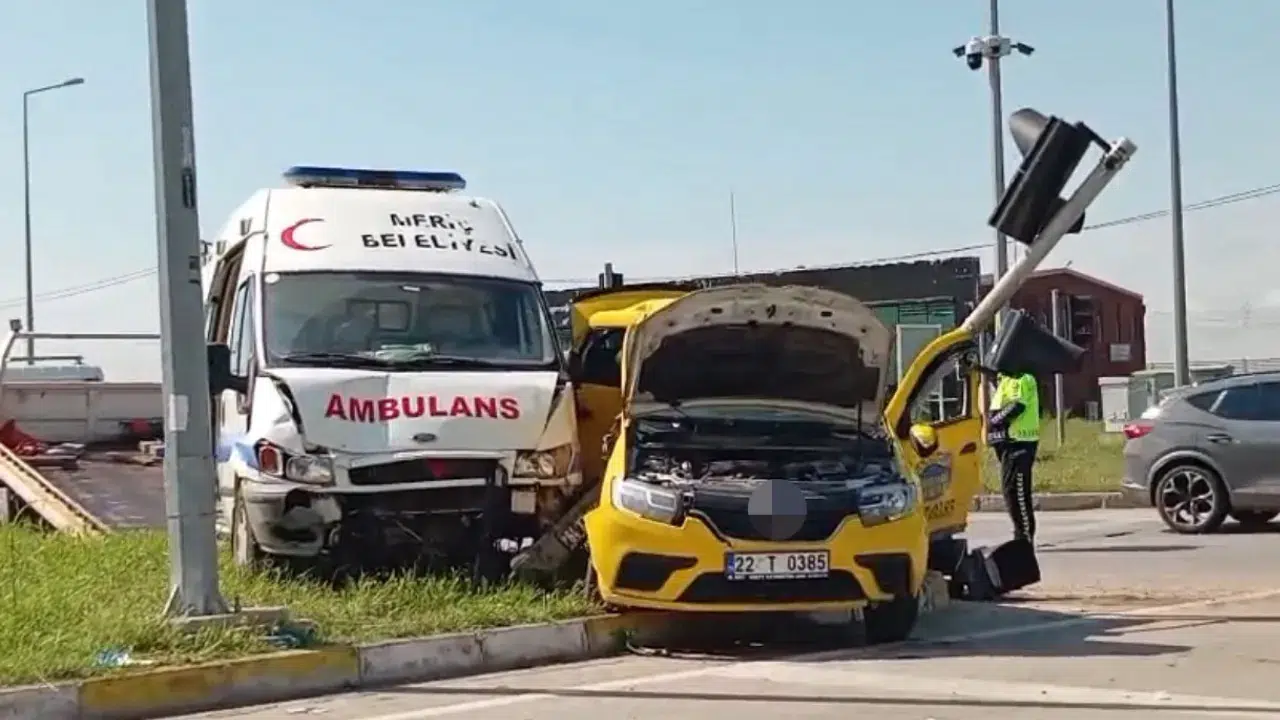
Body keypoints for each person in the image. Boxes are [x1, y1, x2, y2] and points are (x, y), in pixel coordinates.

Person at [987, 368, 1041, 543]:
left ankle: (1024, 539)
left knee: (1016, 493)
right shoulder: (1007, 377)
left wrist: (994, 420)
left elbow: (1017, 405)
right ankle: (1021, 536)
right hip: (1008, 442)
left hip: (1019, 442)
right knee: (1010, 492)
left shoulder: (1023, 377)